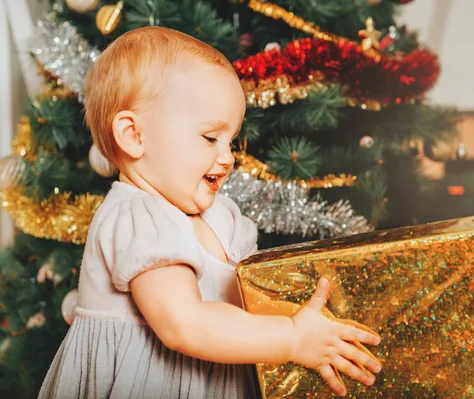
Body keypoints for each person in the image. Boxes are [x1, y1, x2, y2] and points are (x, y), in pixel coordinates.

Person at [38, 26, 382, 398]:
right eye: (209, 138)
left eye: (231, 140)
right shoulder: (138, 217)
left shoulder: (222, 217)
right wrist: (293, 338)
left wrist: (302, 321)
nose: (228, 157)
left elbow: (246, 302)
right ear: (134, 136)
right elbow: (184, 325)